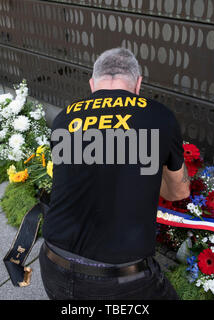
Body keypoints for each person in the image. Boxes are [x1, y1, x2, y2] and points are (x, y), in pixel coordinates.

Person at [39, 47, 190, 300]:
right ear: (138, 84)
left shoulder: (64, 118)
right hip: (121, 280)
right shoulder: (158, 115)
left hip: (53, 262)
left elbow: (71, 181)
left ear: (92, 84)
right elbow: (179, 191)